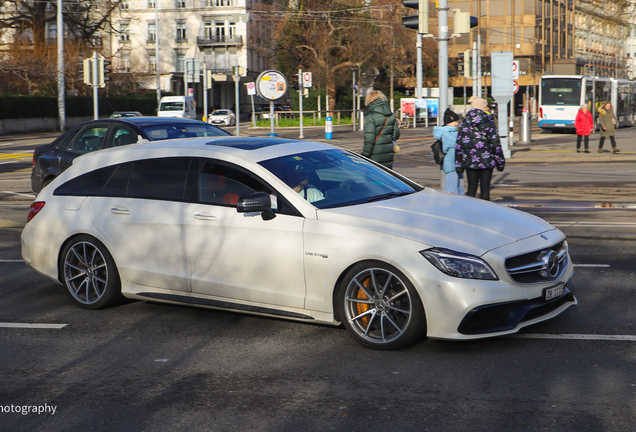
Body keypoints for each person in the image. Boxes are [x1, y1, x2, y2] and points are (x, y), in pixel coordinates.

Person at [455, 96, 505, 201]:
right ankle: (484, 212)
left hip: (469, 160)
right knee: (485, 189)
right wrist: (500, 162)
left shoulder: (464, 124)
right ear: (482, 107)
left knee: (471, 188)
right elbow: (495, 144)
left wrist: (459, 164)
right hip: (486, 160)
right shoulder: (489, 122)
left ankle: (468, 211)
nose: (487, 108)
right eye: (485, 106)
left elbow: (459, 145)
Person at [363, 90, 400, 169]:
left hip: (374, 154)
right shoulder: (391, 115)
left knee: (373, 178)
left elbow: (369, 140)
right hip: (388, 153)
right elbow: (395, 136)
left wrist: (365, 155)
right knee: (385, 176)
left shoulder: (371, 116)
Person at [433, 108, 464, 195]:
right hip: (451, 163)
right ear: (448, 122)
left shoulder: (452, 133)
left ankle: (460, 201)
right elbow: (457, 142)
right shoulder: (447, 134)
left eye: (457, 121)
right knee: (452, 186)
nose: (456, 124)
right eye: (454, 121)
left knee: (459, 185)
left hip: (456, 162)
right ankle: (453, 203)